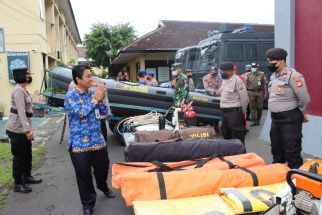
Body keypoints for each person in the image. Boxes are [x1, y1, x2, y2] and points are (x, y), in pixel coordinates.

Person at [64, 65, 115, 215]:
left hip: (97, 141)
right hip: (79, 144)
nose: (91, 79)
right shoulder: (70, 97)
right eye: (87, 76)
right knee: (83, 175)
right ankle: (88, 204)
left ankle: (102, 185)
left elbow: (104, 113)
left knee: (103, 167)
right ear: (78, 79)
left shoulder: (94, 93)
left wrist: (100, 99)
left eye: (91, 75)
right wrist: (95, 99)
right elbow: (81, 113)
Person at [266, 48, 310, 169]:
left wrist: (300, 113)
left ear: (281, 61)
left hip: (290, 119)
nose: (269, 64)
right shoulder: (273, 76)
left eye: (272, 62)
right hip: (275, 120)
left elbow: (304, 98)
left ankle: (297, 182)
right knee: (276, 151)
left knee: (292, 153)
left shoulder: (293, 76)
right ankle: (279, 180)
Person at [6, 68, 42, 194]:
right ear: (22, 77)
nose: (28, 77)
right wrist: (28, 131)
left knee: (27, 154)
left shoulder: (23, 89)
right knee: (19, 157)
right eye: (27, 75)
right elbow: (21, 112)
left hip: (23, 128)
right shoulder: (18, 91)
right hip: (17, 129)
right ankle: (17, 184)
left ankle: (27, 176)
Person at [219, 62, 248, 144]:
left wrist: (242, 112)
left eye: (225, 71)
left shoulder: (238, 81)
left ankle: (240, 155)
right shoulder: (224, 80)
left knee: (237, 136)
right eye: (221, 71)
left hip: (234, 111)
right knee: (226, 134)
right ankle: (230, 155)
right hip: (224, 112)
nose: (222, 73)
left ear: (231, 71)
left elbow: (244, 99)